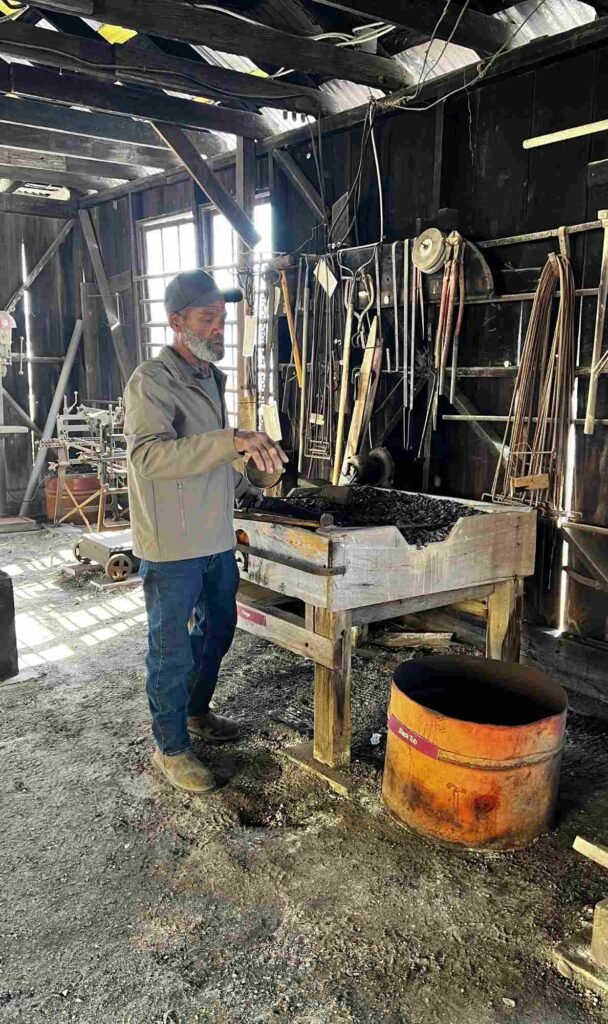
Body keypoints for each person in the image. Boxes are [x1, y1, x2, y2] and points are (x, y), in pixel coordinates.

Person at [124, 269, 287, 795]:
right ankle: (170, 746)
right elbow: (149, 458)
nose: (219, 328)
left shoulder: (211, 379)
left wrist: (253, 477)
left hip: (215, 536)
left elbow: (214, 456)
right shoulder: (152, 381)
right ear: (177, 321)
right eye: (208, 318)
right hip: (173, 543)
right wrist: (230, 440)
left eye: (221, 319)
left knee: (217, 630)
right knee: (171, 647)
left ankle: (195, 713)